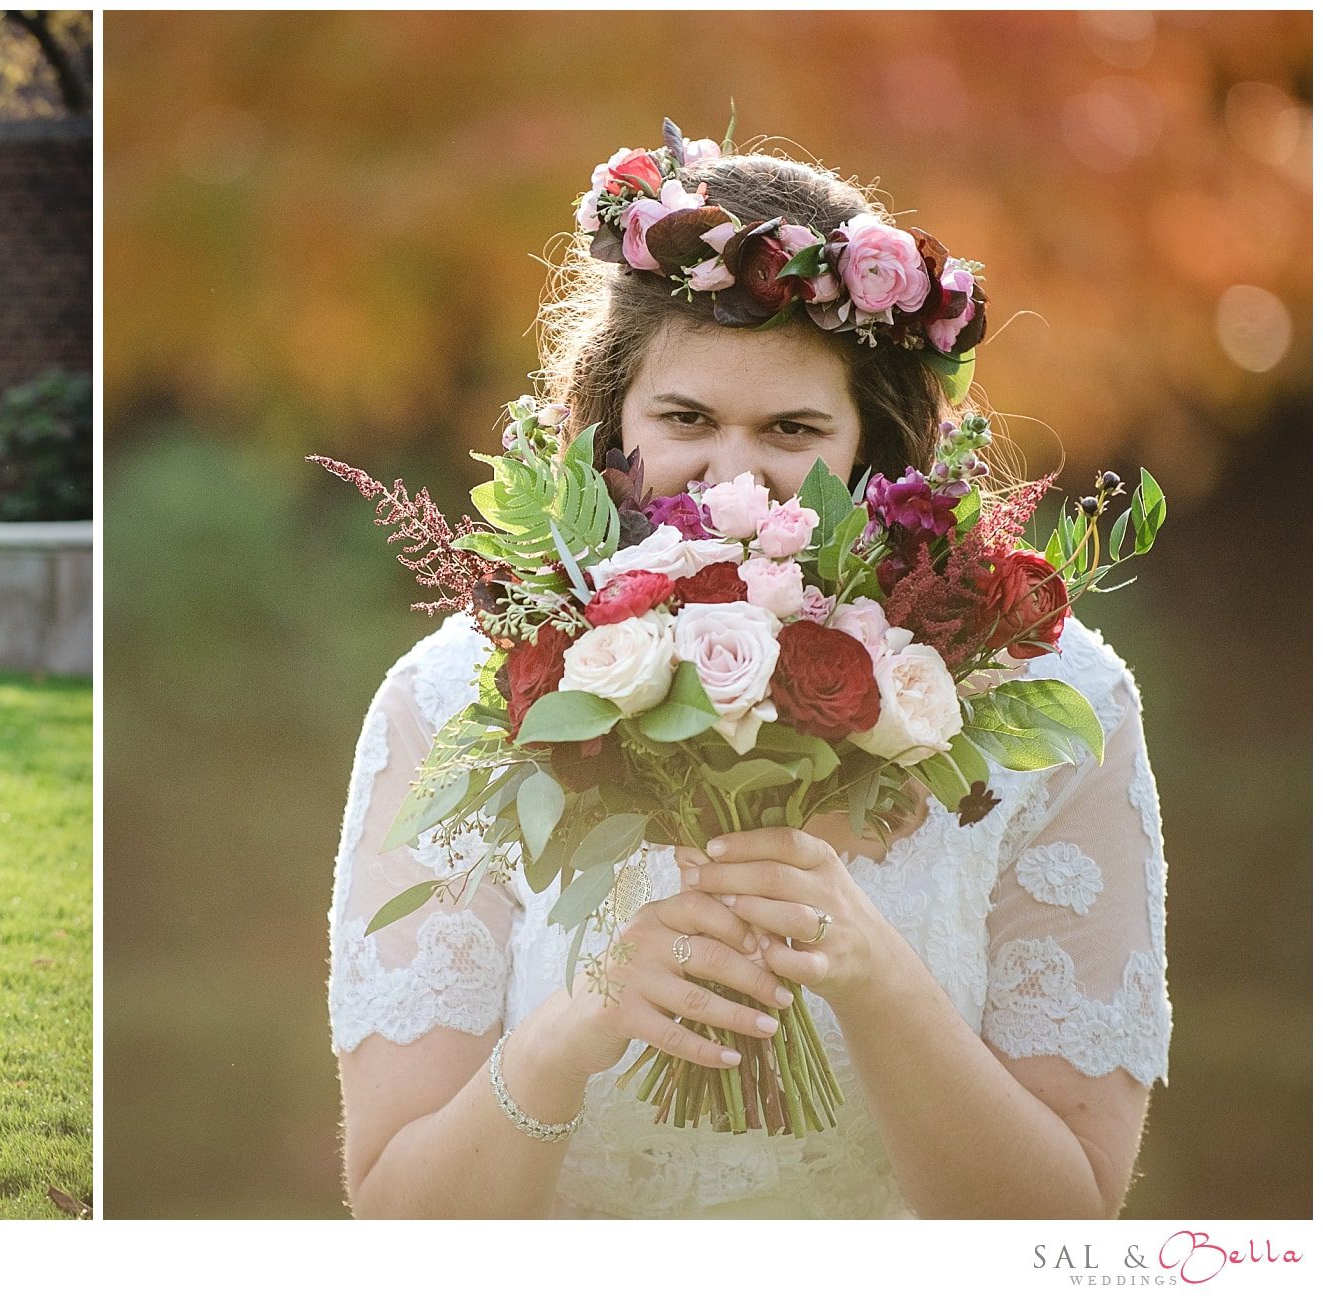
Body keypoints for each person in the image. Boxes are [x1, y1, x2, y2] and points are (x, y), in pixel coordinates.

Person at [328, 130, 1170, 1218]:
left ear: (874, 447)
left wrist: (868, 972)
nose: (730, 474)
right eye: (684, 419)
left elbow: (1066, 1224)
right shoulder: (463, 693)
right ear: (606, 428)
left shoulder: (1052, 700)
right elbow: (396, 1219)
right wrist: (575, 1026)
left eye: (791, 427)